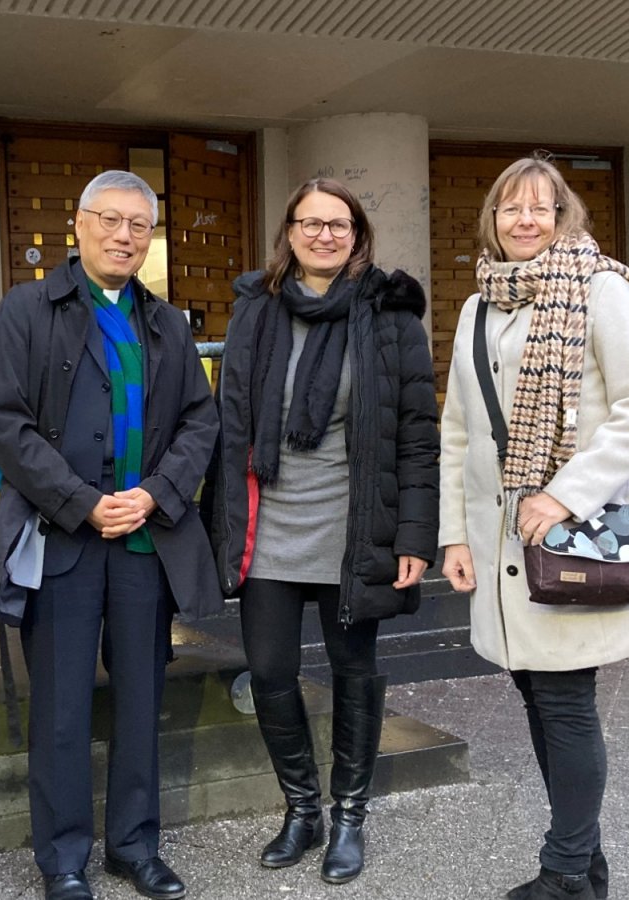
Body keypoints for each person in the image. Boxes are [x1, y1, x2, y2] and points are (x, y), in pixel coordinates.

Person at [437, 156, 629, 900]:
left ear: (564, 215)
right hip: (497, 537)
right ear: (493, 220)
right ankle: (587, 863)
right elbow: (456, 430)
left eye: (541, 207)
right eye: (511, 208)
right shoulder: (480, 305)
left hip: (564, 532)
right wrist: (453, 535)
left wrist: (563, 497)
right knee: (539, 698)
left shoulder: (602, 291)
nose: (526, 220)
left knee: (565, 700)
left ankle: (568, 871)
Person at [0, 170, 222, 900]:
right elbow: (6, 424)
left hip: (144, 541)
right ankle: (62, 860)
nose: (124, 236)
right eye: (110, 221)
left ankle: (133, 846)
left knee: (142, 699)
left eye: (139, 226)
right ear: (78, 226)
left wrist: (155, 493)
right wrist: (81, 501)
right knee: (60, 706)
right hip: (64, 539)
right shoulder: (26, 309)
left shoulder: (168, 323)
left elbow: (199, 421)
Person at [206, 177, 440, 885]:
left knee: (353, 673)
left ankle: (349, 818)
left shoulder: (389, 315)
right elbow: (227, 423)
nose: (323, 235)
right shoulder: (256, 309)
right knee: (272, 674)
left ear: (357, 233)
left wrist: (413, 537)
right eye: (310, 223)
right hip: (267, 528)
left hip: (351, 532)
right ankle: (302, 808)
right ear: (290, 232)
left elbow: (417, 435)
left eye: (337, 224)